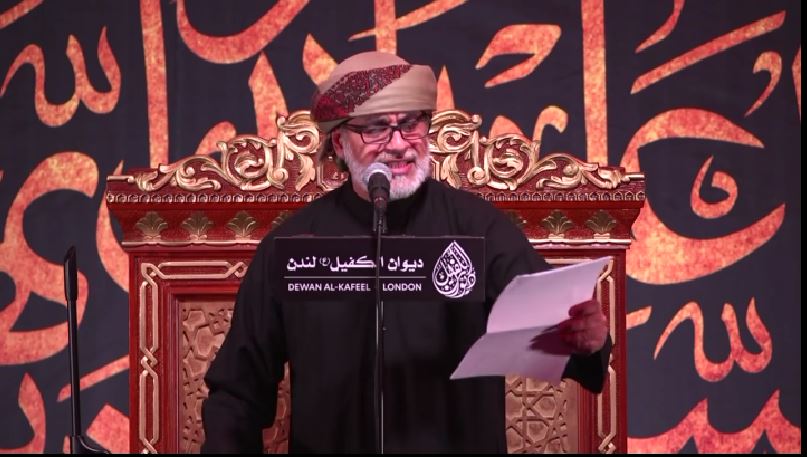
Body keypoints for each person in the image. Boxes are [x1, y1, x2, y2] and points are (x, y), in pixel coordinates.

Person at [201, 51, 610, 453]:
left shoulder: (476, 229)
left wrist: (587, 339)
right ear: (339, 143)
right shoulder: (294, 246)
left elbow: (556, 331)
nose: (398, 144)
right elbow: (238, 392)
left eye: (411, 124)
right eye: (376, 128)